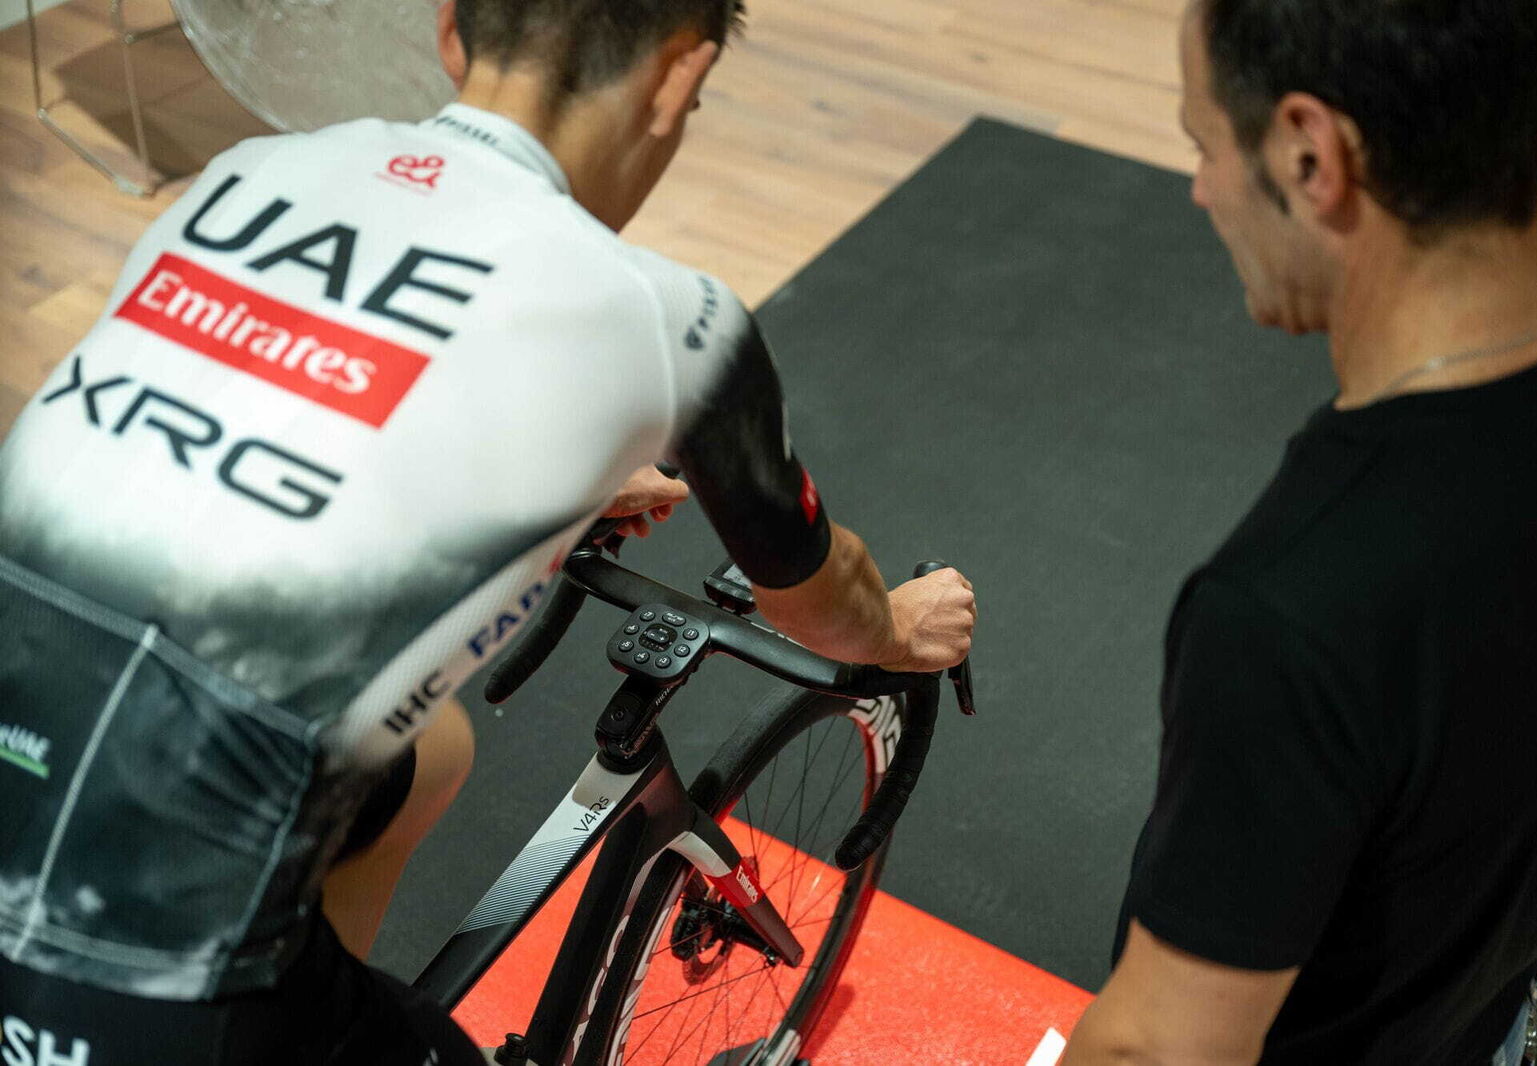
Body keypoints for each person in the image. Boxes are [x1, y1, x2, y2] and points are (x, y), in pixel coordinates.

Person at [0, 0, 976, 1061]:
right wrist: (896, 626)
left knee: (431, 755)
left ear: (451, 30)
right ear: (676, 79)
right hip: (133, 973)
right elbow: (822, 607)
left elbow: (268, 404)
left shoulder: (253, 172)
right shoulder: (673, 322)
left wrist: (561, 480)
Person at [1062, 2, 1537, 1065]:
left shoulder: (1290, 613)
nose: (1200, 189)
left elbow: (1158, 1051)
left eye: (1205, 143)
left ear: (1312, 156)